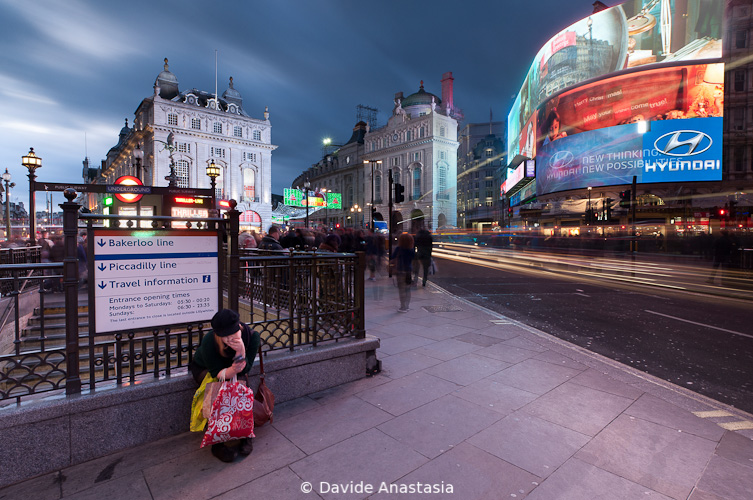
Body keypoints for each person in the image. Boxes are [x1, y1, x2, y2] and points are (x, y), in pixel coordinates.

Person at [189, 309, 261, 462]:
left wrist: (240, 351)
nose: (229, 339)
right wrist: (233, 369)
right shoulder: (210, 340)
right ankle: (217, 442)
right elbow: (216, 372)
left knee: (242, 385)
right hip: (206, 369)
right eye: (224, 336)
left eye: (232, 334)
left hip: (234, 368)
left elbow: (246, 368)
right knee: (216, 388)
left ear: (239, 328)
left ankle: (246, 434)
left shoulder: (252, 337)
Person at [391, 232, 415, 312]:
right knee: (408, 289)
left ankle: (403, 306)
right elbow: (414, 258)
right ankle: (407, 306)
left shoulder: (398, 249)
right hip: (408, 271)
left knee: (401, 289)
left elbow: (392, 258)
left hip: (400, 271)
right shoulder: (411, 250)